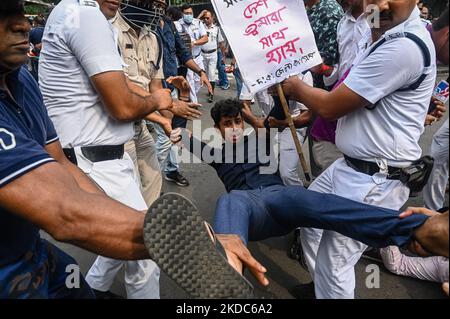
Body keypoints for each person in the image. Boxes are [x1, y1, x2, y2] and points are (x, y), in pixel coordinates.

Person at [0, 2, 269, 299]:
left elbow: (60, 162)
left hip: (37, 255)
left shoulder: (20, 78)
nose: (22, 25)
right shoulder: (83, 16)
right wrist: (202, 240)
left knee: (107, 248)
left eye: (19, 12)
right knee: (144, 263)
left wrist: (111, 209)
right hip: (11, 272)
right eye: (3, 15)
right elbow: (65, 213)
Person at [278, 0, 437, 299]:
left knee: (335, 260)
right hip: (353, 166)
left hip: (373, 179)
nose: (382, 4)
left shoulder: (403, 46)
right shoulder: (379, 32)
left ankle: (328, 287)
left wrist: (296, 87)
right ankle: (320, 287)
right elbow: (346, 79)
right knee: (308, 223)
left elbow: (330, 106)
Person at [170, 100, 449, 259]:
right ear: (217, 129)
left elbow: (276, 113)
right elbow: (182, 134)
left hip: (284, 200)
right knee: (230, 200)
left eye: (237, 122)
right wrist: (181, 96)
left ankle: (418, 230)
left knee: (321, 201)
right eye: (226, 124)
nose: (233, 128)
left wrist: (278, 79)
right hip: (252, 211)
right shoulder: (215, 155)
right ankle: (226, 271)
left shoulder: (261, 139)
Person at [38, 0, 175, 299]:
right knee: (147, 251)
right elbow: (122, 106)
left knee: (118, 240)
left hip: (100, 157)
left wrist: (167, 101)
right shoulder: (86, 15)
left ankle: (93, 290)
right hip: (95, 161)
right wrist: (157, 102)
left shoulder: (74, 12)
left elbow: (118, 81)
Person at [156, 1, 210, 188]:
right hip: (153, 90)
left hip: (172, 88)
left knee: (174, 134)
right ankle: (151, 187)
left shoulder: (169, 24)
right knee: (166, 136)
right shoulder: (145, 23)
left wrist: (201, 72)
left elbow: (183, 53)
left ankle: (170, 171)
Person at [174, 4, 208, 104]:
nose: (188, 15)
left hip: (197, 57)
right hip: (187, 59)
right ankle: (194, 103)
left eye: (190, 13)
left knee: (198, 82)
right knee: (190, 82)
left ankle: (190, 97)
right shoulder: (176, 24)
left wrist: (194, 43)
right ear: (182, 14)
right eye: (186, 13)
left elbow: (205, 38)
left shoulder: (198, 23)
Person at [198, 10, 226, 103]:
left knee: (212, 74)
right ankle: (209, 89)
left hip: (213, 54)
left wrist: (223, 56)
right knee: (204, 73)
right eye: (204, 18)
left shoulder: (217, 29)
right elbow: (194, 23)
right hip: (202, 54)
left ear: (212, 18)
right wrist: (200, 15)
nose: (206, 19)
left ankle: (211, 93)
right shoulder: (200, 27)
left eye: (208, 18)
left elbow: (221, 43)